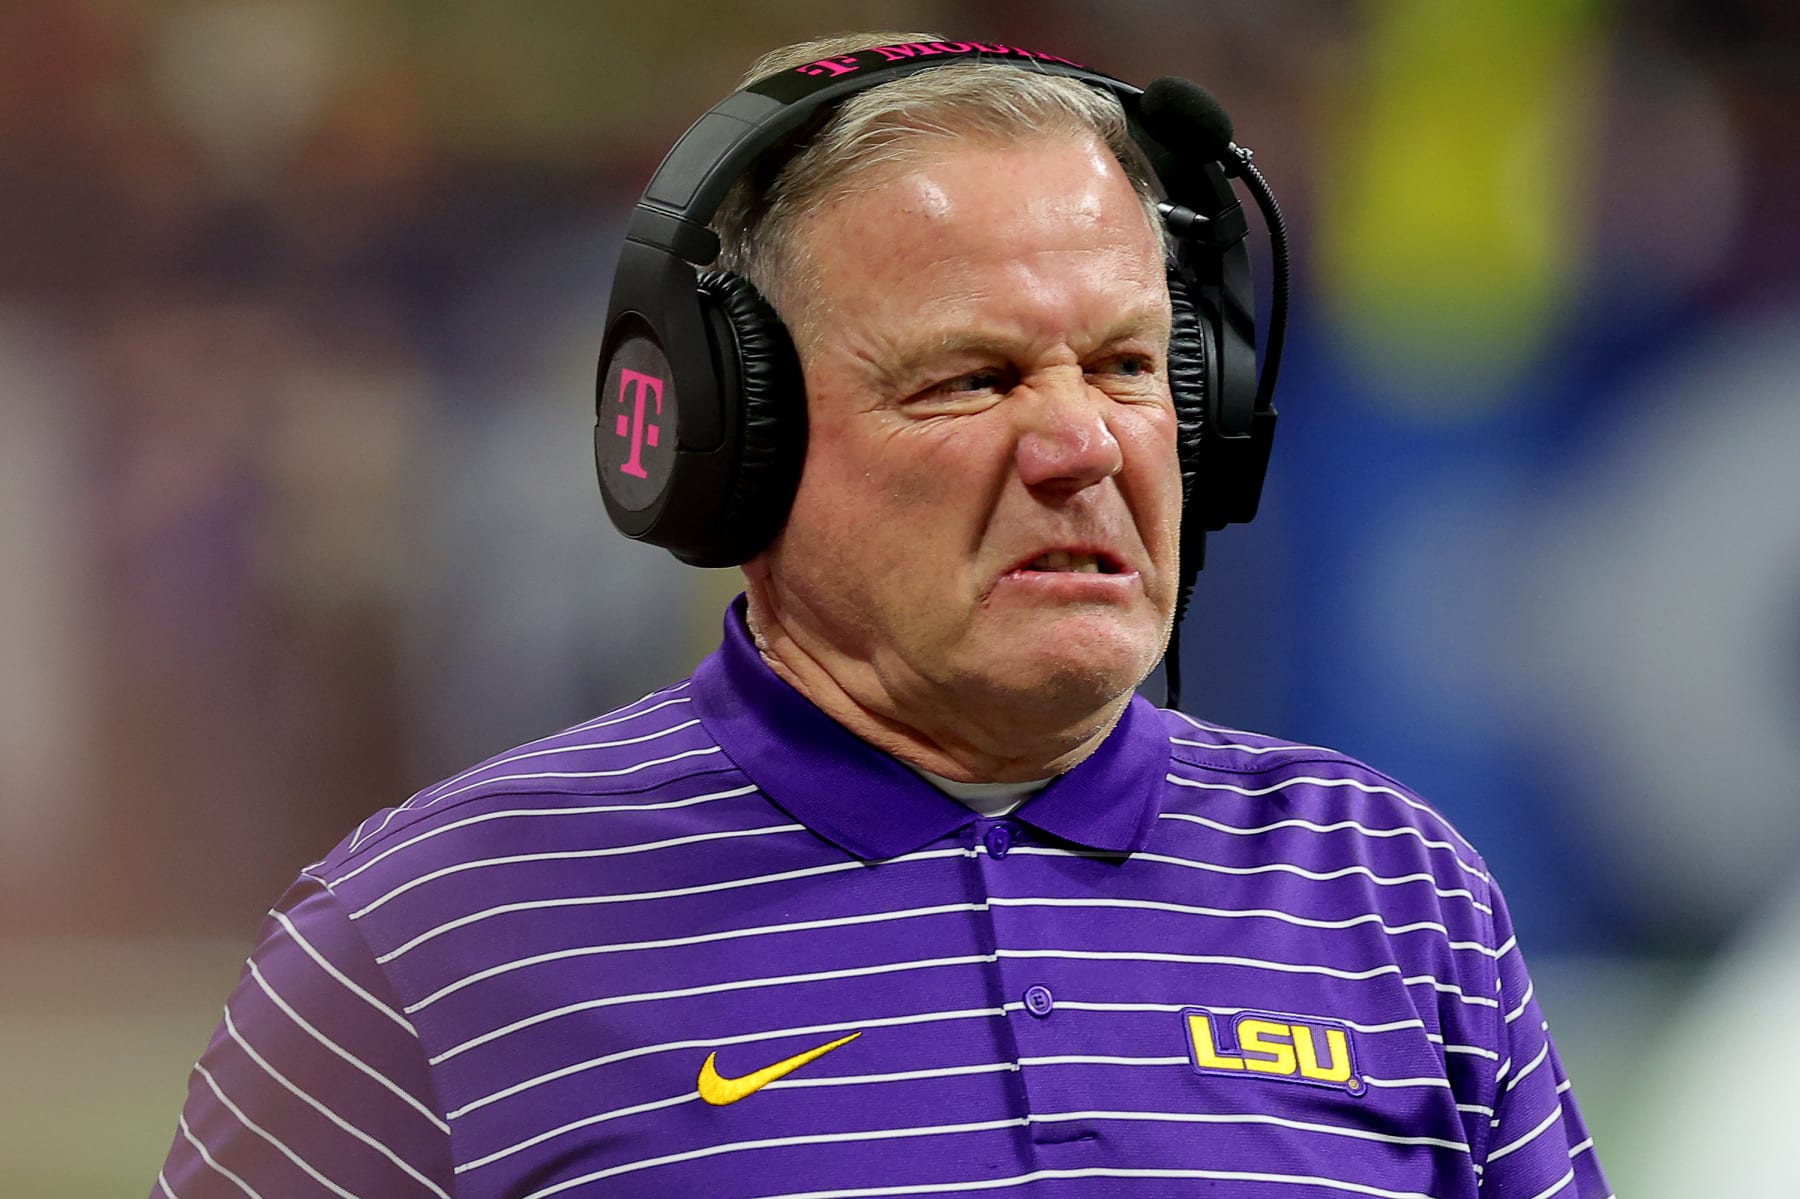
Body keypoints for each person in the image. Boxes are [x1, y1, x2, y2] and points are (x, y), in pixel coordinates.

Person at [151, 32, 1612, 1199]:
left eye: (1122, 365)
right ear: (739, 443)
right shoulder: (435, 936)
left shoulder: (1390, 894)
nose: (1081, 445)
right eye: (970, 379)